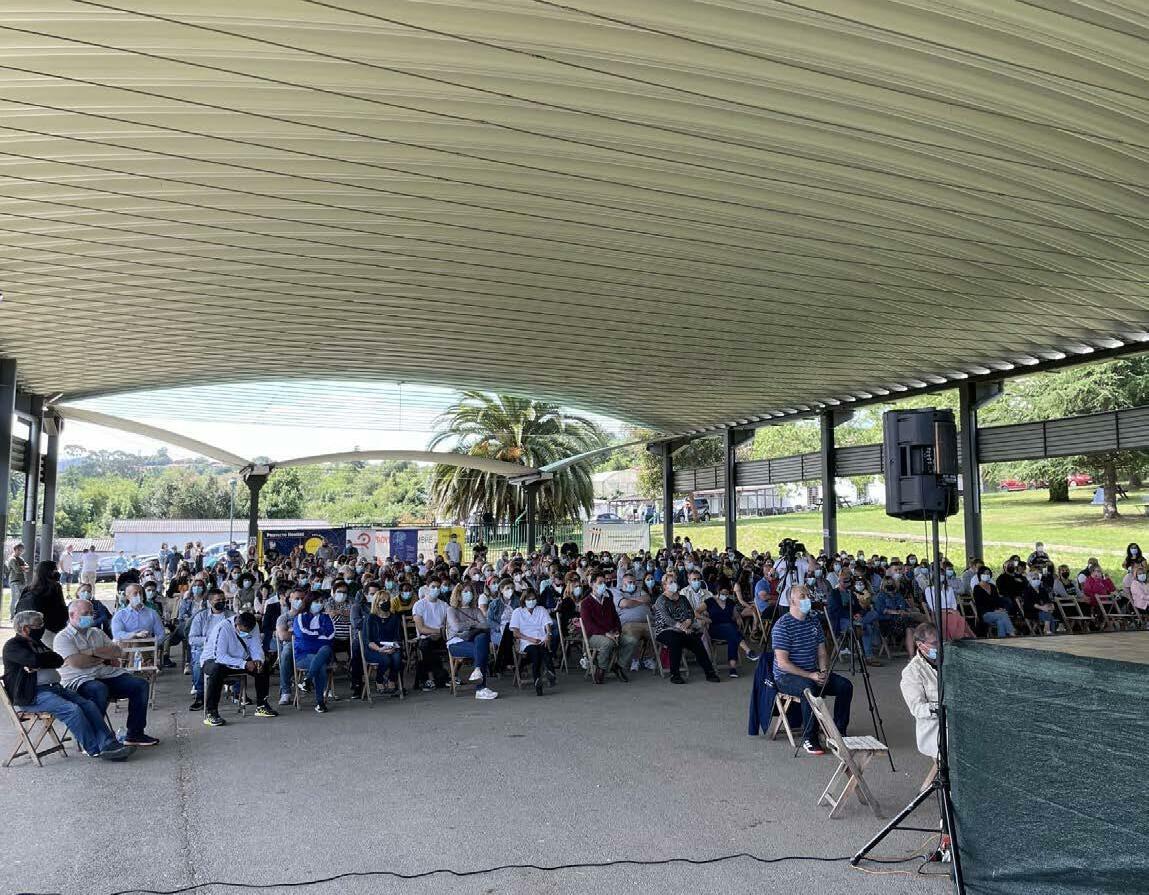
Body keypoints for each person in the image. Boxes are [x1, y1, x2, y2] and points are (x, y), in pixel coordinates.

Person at [3, 610, 134, 762]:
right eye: (38, 625)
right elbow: (34, 660)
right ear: (25, 629)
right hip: (33, 695)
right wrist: (41, 660)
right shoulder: (13, 646)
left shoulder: (37, 643)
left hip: (54, 688)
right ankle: (95, 749)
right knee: (73, 710)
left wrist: (40, 661)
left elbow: (58, 660)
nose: (42, 628)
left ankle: (109, 744)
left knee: (88, 705)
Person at [52, 599, 160, 748]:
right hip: (78, 680)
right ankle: (95, 740)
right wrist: (103, 657)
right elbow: (77, 662)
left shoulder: (97, 632)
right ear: (72, 615)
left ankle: (135, 734)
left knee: (140, 685)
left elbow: (117, 652)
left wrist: (91, 652)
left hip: (105, 674)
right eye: (85, 613)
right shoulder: (63, 638)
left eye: (91, 613)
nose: (90, 616)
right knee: (98, 689)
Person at [770, 584, 853, 756]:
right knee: (810, 688)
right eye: (802, 596)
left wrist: (823, 671)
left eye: (808, 595)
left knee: (845, 686)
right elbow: (783, 663)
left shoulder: (814, 621)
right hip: (786, 676)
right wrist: (810, 675)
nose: (807, 599)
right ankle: (809, 737)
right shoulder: (782, 625)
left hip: (812, 672)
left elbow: (822, 652)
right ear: (792, 600)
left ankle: (839, 732)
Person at [201, 611, 277, 726]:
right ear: (237, 624)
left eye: (248, 632)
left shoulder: (254, 626)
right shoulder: (223, 628)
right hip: (213, 660)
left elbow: (256, 646)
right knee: (216, 670)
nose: (246, 634)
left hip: (239, 659)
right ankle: (211, 713)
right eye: (243, 631)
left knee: (263, 666)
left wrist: (258, 660)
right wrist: (244, 664)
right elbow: (220, 657)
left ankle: (262, 705)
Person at [651, 578, 719, 685]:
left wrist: (688, 622)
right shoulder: (661, 600)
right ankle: (675, 675)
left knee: (696, 641)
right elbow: (666, 619)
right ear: (664, 586)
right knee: (675, 641)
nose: (674, 584)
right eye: (671, 582)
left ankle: (710, 672)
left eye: (675, 581)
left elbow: (690, 613)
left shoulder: (682, 598)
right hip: (665, 629)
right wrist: (682, 628)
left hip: (684, 629)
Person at [579, 574, 637, 684]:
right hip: (593, 636)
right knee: (607, 643)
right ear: (592, 584)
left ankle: (619, 666)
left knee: (631, 641)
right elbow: (589, 625)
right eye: (600, 583)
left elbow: (616, 618)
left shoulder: (608, 601)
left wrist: (617, 631)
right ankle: (601, 668)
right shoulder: (586, 603)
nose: (603, 585)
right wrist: (606, 634)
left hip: (611, 633)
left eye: (604, 583)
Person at [445, 584, 498, 700]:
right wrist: (474, 623)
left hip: (474, 640)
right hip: (456, 642)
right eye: (465, 592)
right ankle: (481, 688)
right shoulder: (451, 610)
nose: (468, 594)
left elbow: (485, 625)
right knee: (482, 649)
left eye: (470, 592)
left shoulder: (476, 610)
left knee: (482, 637)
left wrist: (468, 625)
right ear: (458, 595)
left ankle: (477, 671)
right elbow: (456, 627)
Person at [187, 590, 234, 711]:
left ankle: (238, 693)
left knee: (238, 660)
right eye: (218, 600)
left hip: (227, 649)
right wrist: (210, 640)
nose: (221, 602)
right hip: (205, 650)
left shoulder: (232, 616)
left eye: (223, 600)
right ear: (210, 602)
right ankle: (200, 696)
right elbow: (192, 639)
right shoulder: (201, 616)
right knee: (197, 665)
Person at [899, 623, 939, 759]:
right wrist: (940, 708)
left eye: (941, 641)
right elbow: (916, 708)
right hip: (934, 730)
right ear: (920, 645)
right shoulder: (911, 672)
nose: (940, 646)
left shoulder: (947, 660)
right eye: (935, 643)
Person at [293, 594, 335, 713]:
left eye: (321, 601)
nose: (319, 604)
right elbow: (302, 635)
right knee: (320, 665)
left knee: (326, 648)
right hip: (303, 655)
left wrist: (312, 637)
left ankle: (307, 679)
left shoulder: (326, 617)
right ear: (309, 602)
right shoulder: (300, 617)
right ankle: (320, 703)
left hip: (323, 653)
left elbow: (330, 636)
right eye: (316, 601)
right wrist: (320, 632)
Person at [703, 589, 759, 678]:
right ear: (718, 592)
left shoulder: (730, 602)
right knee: (733, 631)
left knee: (733, 636)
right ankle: (748, 651)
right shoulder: (709, 601)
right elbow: (696, 612)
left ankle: (733, 668)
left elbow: (735, 615)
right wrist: (705, 619)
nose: (725, 595)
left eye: (727, 593)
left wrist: (738, 618)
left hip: (730, 629)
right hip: (715, 629)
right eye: (723, 593)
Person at [511, 593, 556, 696]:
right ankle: (544, 675)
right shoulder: (517, 612)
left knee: (543, 649)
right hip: (526, 641)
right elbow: (515, 633)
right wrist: (530, 639)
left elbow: (547, 625)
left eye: (533, 599)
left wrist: (548, 635)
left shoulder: (541, 609)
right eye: (529, 599)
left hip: (541, 639)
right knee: (536, 652)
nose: (531, 601)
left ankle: (544, 677)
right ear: (524, 600)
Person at [614, 571, 657, 672]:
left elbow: (647, 598)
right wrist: (638, 601)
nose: (632, 584)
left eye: (634, 582)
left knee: (659, 633)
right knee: (633, 636)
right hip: (628, 624)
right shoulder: (617, 592)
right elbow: (625, 604)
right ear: (623, 583)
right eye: (630, 582)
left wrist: (631, 601)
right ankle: (635, 659)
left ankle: (647, 658)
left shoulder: (640, 590)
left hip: (647, 622)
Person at [14, 560, 69, 638]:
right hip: (48, 630)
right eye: (55, 570)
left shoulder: (28, 588)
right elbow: (61, 610)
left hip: (27, 629)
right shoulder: (54, 587)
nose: (57, 573)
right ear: (49, 572)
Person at [363, 592, 404, 696]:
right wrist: (380, 649)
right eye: (383, 600)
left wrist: (393, 646)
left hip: (391, 647)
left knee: (397, 657)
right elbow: (369, 641)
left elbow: (397, 637)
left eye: (388, 600)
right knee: (386, 659)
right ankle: (379, 680)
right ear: (377, 603)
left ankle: (392, 679)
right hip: (374, 649)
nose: (386, 602)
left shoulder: (394, 618)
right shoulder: (371, 618)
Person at [412, 582, 450, 691]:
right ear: (427, 588)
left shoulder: (444, 605)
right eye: (433, 587)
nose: (436, 589)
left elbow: (448, 624)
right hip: (425, 637)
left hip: (442, 637)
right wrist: (437, 631)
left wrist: (441, 633)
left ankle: (450, 674)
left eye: (438, 587)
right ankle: (432, 677)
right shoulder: (419, 605)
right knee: (425, 648)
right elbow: (421, 628)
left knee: (455, 645)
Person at [972, 567, 1015, 637]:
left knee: (1000, 621)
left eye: (988, 574)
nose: (987, 575)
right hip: (985, 613)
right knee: (1003, 615)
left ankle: (1002, 640)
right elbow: (980, 605)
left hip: (996, 613)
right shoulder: (977, 588)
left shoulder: (992, 587)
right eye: (985, 574)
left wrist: (1000, 608)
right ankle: (1012, 633)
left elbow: (998, 601)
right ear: (980, 575)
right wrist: (994, 610)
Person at [6, 543, 28, 619]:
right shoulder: (12, 559)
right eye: (19, 550)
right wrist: (23, 567)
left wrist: (22, 567)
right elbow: (17, 570)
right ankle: (12, 616)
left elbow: (28, 568)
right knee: (15, 599)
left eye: (22, 550)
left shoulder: (21, 559)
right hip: (15, 581)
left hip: (22, 581)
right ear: (15, 549)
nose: (20, 552)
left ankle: (18, 615)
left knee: (21, 599)